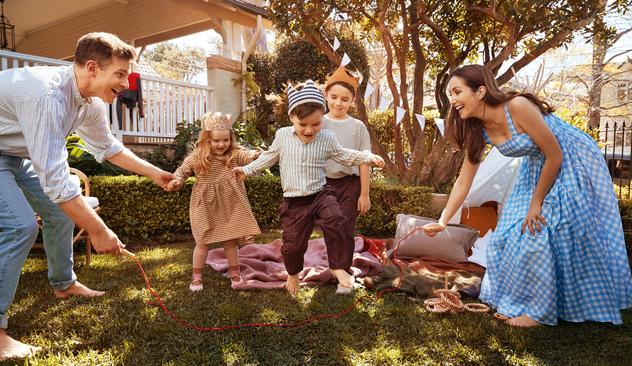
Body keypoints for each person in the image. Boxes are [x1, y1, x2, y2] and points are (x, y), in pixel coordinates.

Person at [0, 32, 175, 360]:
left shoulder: (91, 103)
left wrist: (153, 172)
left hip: (12, 150)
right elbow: (56, 182)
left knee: (60, 212)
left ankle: (64, 284)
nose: (125, 84)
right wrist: (97, 229)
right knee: (19, 226)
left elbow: (108, 148)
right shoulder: (48, 97)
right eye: (120, 74)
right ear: (92, 68)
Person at [423, 64, 632, 327]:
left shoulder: (517, 106)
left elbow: (555, 155)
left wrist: (536, 203)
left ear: (480, 91)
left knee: (540, 230)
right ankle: (515, 299)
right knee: (504, 235)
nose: (452, 100)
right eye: (450, 94)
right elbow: (463, 182)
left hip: (570, 157)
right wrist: (444, 220)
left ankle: (539, 312)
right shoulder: (478, 131)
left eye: (457, 92)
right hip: (537, 165)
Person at [233, 80, 385, 296]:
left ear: (322, 117)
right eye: (303, 124)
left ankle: (337, 267)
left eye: (316, 124)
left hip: (321, 194)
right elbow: (269, 157)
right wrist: (246, 170)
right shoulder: (283, 136)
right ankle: (293, 274)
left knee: (337, 221)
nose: (309, 130)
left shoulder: (327, 137)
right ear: (292, 117)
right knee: (293, 245)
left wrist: (367, 157)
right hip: (295, 200)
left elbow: (344, 154)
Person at [166, 112, 261, 291]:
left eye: (225, 140)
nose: (221, 144)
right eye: (216, 141)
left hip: (229, 204)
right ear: (206, 140)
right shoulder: (197, 156)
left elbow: (246, 156)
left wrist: (255, 155)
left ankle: (235, 274)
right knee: (202, 241)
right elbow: (182, 170)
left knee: (230, 240)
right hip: (205, 205)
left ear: (230, 139)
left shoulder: (234, 154)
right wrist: (177, 180)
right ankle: (196, 278)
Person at [322, 67, 373, 293]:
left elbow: (364, 161)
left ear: (352, 100)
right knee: (330, 227)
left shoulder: (358, 127)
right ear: (326, 96)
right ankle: (336, 267)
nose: (338, 103)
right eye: (334, 98)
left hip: (350, 185)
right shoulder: (319, 123)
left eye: (345, 99)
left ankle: (342, 270)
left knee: (346, 227)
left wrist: (364, 194)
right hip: (323, 184)